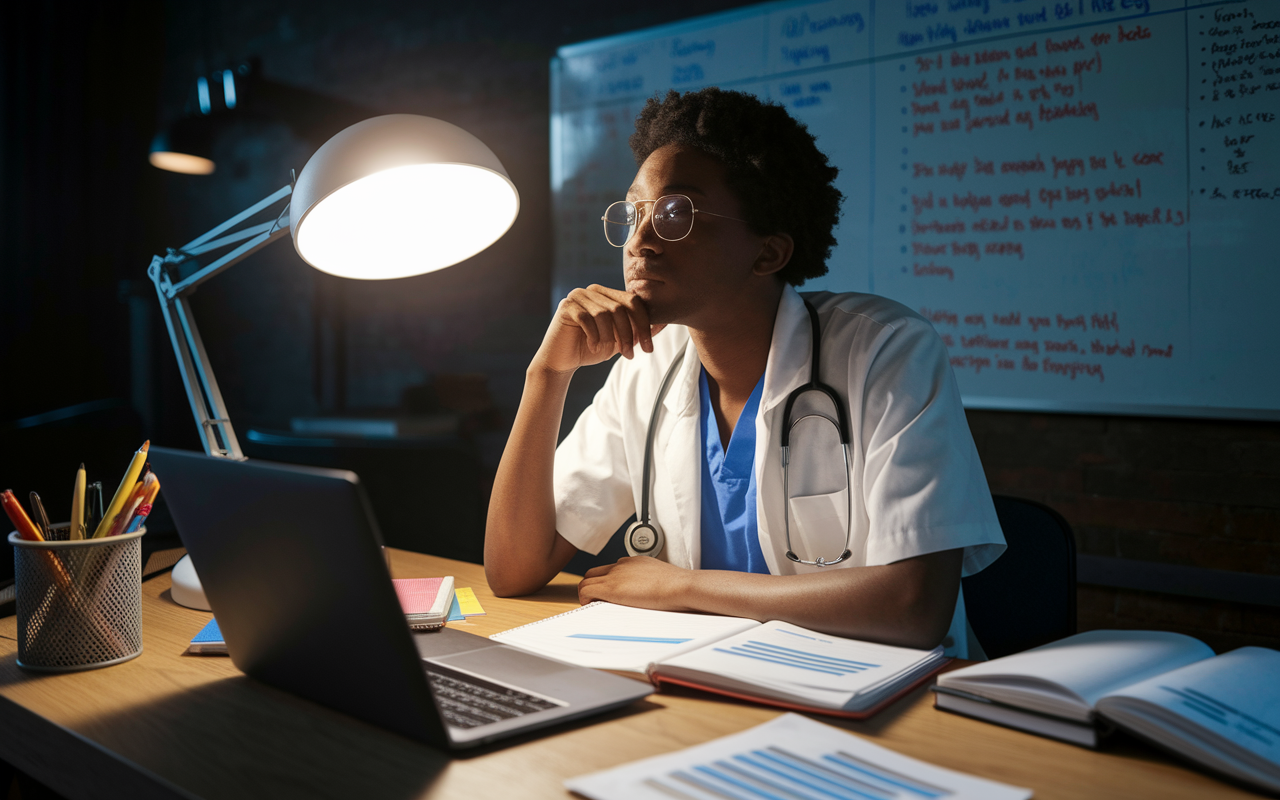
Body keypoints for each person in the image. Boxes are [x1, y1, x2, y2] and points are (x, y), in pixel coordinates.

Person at [484, 88, 1005, 658]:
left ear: (767, 253)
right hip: (713, 686)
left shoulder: (885, 350)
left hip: (887, 699)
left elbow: (913, 608)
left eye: (676, 214)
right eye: (635, 213)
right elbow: (514, 569)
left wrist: (682, 587)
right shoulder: (648, 368)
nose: (639, 242)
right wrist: (547, 376)